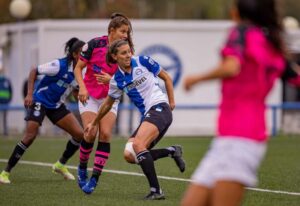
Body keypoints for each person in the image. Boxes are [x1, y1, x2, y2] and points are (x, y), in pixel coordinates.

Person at [180, 0, 289, 206]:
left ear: (238, 12)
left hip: (240, 139)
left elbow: (232, 66)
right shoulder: (271, 42)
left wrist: (196, 79)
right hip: (232, 139)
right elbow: (293, 76)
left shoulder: (241, 32)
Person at [84, 39, 186, 199]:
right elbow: (107, 104)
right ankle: (172, 151)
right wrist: (94, 122)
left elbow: (167, 77)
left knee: (138, 144)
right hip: (149, 114)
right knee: (130, 154)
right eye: (123, 53)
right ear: (114, 56)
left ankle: (156, 191)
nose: (128, 55)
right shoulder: (116, 80)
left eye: (129, 51)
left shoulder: (143, 61)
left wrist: (171, 102)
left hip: (159, 107)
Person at [0, 37, 85, 184]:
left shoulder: (80, 72)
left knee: (79, 134)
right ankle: (5, 173)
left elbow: (75, 90)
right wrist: (29, 94)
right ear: (76, 54)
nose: (87, 55)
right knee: (30, 137)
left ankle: (60, 165)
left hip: (56, 105)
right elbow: (34, 71)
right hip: (40, 101)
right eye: (84, 52)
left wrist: (81, 97)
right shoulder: (59, 65)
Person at [74, 13, 135, 194]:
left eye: (127, 32)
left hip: (110, 97)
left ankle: (94, 179)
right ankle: (82, 167)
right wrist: (82, 88)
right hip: (90, 97)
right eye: (123, 31)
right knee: (90, 132)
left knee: (106, 134)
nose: (125, 35)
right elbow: (78, 68)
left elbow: (129, 77)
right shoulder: (93, 44)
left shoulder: (126, 49)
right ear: (111, 31)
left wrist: (112, 79)